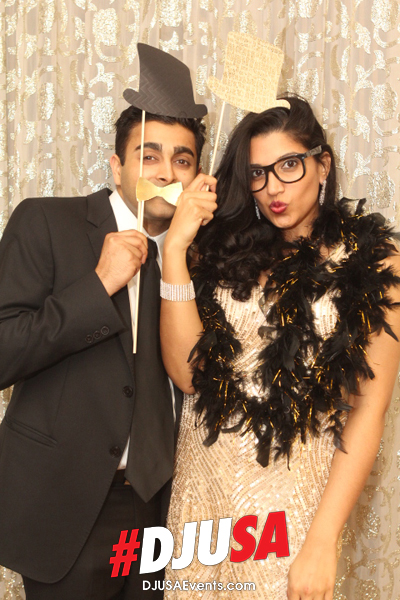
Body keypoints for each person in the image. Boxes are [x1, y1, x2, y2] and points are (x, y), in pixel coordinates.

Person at [160, 96, 400, 599]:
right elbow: (187, 375)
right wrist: (176, 251)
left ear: (322, 164)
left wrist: (322, 540)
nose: (273, 188)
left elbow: (367, 410)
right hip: (202, 495)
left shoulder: (375, 263)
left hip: (291, 505)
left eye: (289, 165)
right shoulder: (223, 251)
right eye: (257, 173)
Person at [0, 83, 217, 598]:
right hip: (65, 504)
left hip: (160, 509)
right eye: (149, 155)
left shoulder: (206, 257)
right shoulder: (47, 221)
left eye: (182, 160)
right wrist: (98, 285)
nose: (165, 173)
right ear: (117, 167)